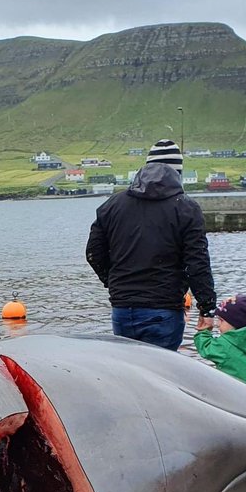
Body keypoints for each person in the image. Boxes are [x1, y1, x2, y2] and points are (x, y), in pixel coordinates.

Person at [86, 139, 216, 350]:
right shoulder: (186, 208)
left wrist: (114, 282)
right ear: (177, 172)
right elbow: (197, 263)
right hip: (163, 308)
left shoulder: (112, 205)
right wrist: (207, 308)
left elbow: (93, 253)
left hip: (122, 308)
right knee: (163, 377)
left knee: (131, 375)